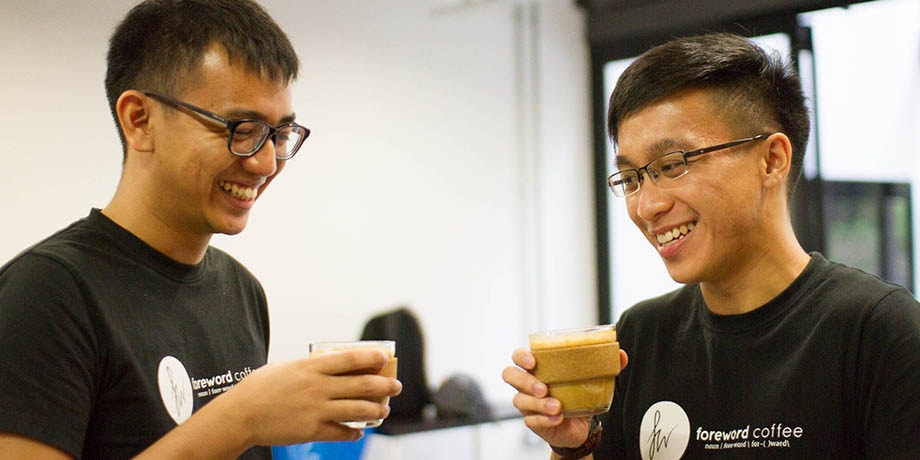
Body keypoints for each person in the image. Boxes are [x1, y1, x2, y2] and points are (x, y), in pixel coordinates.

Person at [0, 1, 401, 459]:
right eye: (241, 128)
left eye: (278, 134)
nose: (265, 163)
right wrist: (241, 418)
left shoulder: (241, 291)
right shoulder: (46, 296)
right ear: (140, 120)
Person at [503, 32, 920, 459]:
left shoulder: (878, 330)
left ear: (772, 160)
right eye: (631, 179)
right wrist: (573, 445)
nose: (647, 205)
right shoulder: (642, 336)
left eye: (673, 165)